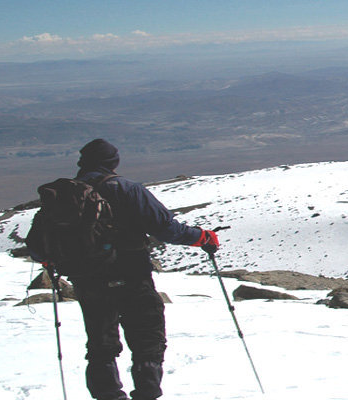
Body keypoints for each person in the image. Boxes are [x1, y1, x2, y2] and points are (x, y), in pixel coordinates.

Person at [28, 139, 218, 400]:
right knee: (146, 338)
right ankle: (146, 392)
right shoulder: (126, 189)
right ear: (113, 162)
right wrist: (201, 237)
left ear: (82, 163)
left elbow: (38, 246)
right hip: (132, 274)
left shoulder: (63, 195)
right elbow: (166, 229)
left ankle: (109, 395)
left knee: (100, 344)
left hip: (87, 279)